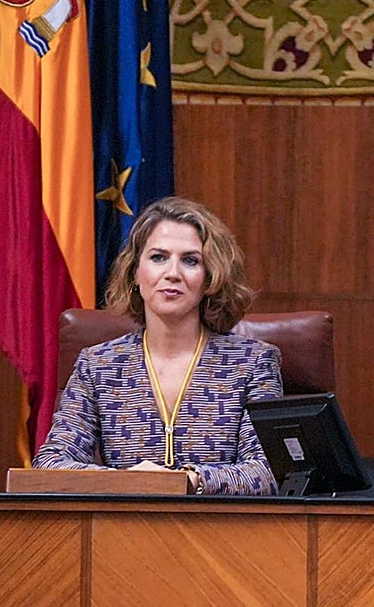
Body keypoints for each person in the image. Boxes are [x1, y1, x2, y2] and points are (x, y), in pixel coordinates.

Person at [35, 197, 280, 495]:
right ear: (136, 273)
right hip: (122, 532)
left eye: (190, 260)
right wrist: (126, 481)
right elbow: (51, 463)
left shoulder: (252, 362)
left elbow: (267, 471)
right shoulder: (99, 364)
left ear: (210, 278)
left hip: (219, 535)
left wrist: (188, 480)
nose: (172, 273)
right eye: (158, 257)